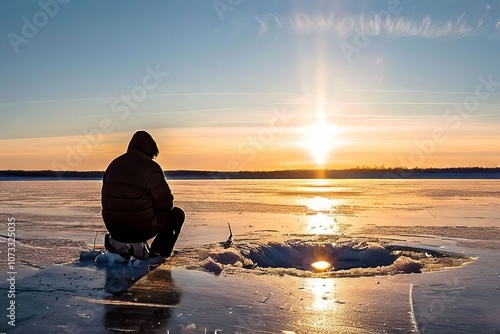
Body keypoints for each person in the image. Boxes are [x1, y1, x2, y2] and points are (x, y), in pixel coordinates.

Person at [101, 130, 185, 258]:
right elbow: (166, 205)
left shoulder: (113, 165)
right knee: (176, 215)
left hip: (114, 229)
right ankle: (157, 254)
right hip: (138, 229)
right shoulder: (151, 168)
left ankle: (121, 245)